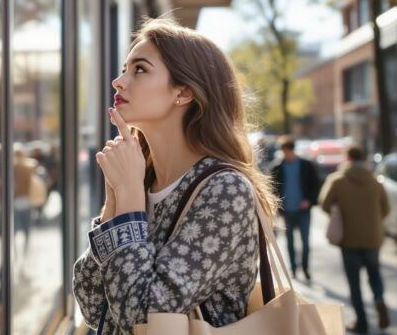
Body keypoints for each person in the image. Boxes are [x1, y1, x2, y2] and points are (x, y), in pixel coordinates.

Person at [72, 18, 278, 334]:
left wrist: (127, 199)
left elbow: (140, 318)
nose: (118, 81)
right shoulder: (141, 177)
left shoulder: (224, 190)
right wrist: (115, 201)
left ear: (183, 92)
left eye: (139, 69)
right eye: (125, 68)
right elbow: (92, 307)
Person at [320, 143, 391, 333]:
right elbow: (386, 208)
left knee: (354, 283)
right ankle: (379, 299)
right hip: (373, 238)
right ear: (363, 158)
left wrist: (339, 213)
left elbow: (324, 204)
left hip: (349, 239)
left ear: (347, 158)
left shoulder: (337, 180)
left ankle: (362, 322)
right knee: (374, 274)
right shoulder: (376, 181)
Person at [268, 135, 320, 280]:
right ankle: (293, 269)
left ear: (292, 150)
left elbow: (315, 185)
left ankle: (305, 267)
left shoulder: (306, 165)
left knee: (305, 241)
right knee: (290, 242)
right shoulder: (277, 167)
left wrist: (309, 200)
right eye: (283, 151)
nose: (286, 153)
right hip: (288, 211)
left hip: (303, 210)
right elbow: (272, 191)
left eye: (288, 150)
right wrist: (278, 209)